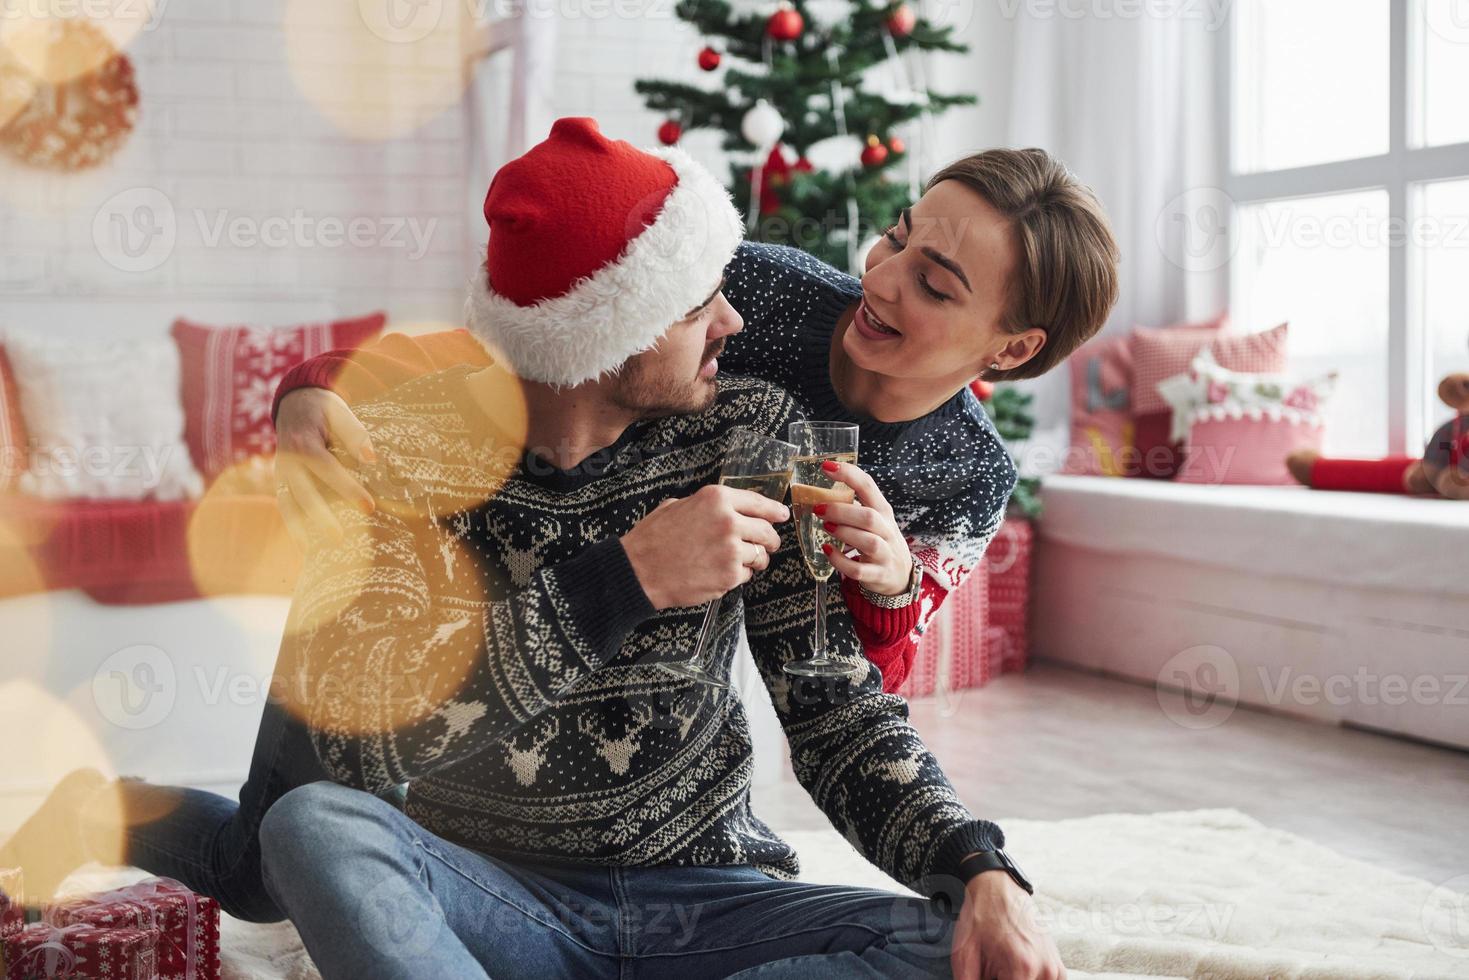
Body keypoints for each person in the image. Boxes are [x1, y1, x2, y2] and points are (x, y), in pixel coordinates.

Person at [2, 119, 1065, 980]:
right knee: (301, 833)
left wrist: (978, 864)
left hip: (706, 896)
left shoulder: (759, 435)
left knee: (945, 937)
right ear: (610, 331)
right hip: (492, 885)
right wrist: (624, 580)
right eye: (701, 302)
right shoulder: (407, 457)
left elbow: (836, 702)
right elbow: (374, 755)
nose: (735, 317)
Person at [271, 146, 1121, 692]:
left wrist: (890, 584)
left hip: (683, 676)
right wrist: (326, 382)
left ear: (1011, 351)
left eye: (934, 286)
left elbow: (867, 681)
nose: (883, 279)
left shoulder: (965, 477)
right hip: (543, 564)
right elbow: (529, 341)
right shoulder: (755, 286)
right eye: (895, 240)